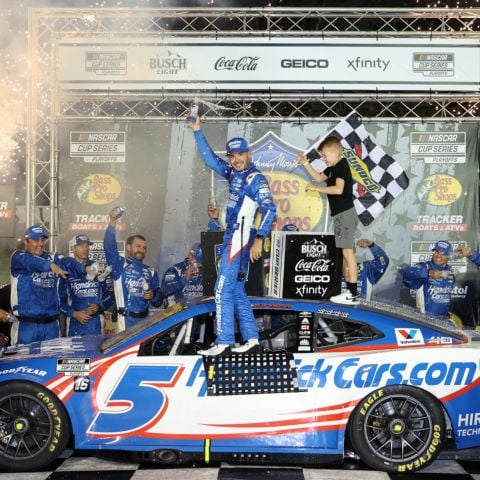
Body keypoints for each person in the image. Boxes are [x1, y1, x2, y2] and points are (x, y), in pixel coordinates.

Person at [188, 112, 277, 355]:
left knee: (221, 288)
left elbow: (270, 209)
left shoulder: (255, 178)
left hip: (241, 237)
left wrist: (260, 238)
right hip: (236, 236)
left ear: (249, 154)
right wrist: (197, 130)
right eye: (233, 155)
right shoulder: (233, 173)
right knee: (237, 290)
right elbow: (210, 160)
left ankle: (224, 340)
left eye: (240, 154)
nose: (236, 159)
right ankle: (251, 338)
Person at [297, 136, 359, 305]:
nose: (323, 159)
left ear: (336, 152)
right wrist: (305, 164)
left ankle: (352, 294)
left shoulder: (341, 166)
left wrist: (315, 189)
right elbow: (318, 177)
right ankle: (350, 292)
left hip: (344, 214)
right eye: (322, 156)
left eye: (325, 156)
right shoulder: (333, 167)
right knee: (345, 253)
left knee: (348, 253)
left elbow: (338, 190)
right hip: (341, 215)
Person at [104, 208, 161, 331]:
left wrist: (153, 295)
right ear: (128, 247)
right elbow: (109, 248)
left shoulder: (150, 271)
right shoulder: (119, 265)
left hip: (145, 323)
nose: (141, 249)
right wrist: (113, 222)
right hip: (125, 322)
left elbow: (158, 301)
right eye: (138, 246)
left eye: (144, 247)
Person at [10, 225, 69, 344]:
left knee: (50, 362)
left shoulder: (53, 257)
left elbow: (69, 263)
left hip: (51, 326)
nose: (40, 244)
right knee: (23, 362)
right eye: (35, 240)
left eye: (42, 240)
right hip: (26, 326)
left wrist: (85, 267)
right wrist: (50, 265)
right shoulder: (18, 257)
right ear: (26, 241)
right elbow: (31, 261)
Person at [59, 235, 114, 336]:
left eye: (87, 246)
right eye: (81, 246)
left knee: (96, 351)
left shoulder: (99, 268)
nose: (85, 249)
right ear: (73, 248)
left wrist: (99, 306)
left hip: (96, 323)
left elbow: (110, 295)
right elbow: (59, 301)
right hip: (74, 324)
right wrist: (74, 314)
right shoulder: (65, 269)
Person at [402, 240, 455, 319]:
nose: (438, 256)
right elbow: (407, 274)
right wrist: (428, 272)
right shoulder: (424, 266)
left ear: (448, 256)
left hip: (443, 321)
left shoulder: (450, 271)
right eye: (437, 252)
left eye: (443, 254)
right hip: (425, 321)